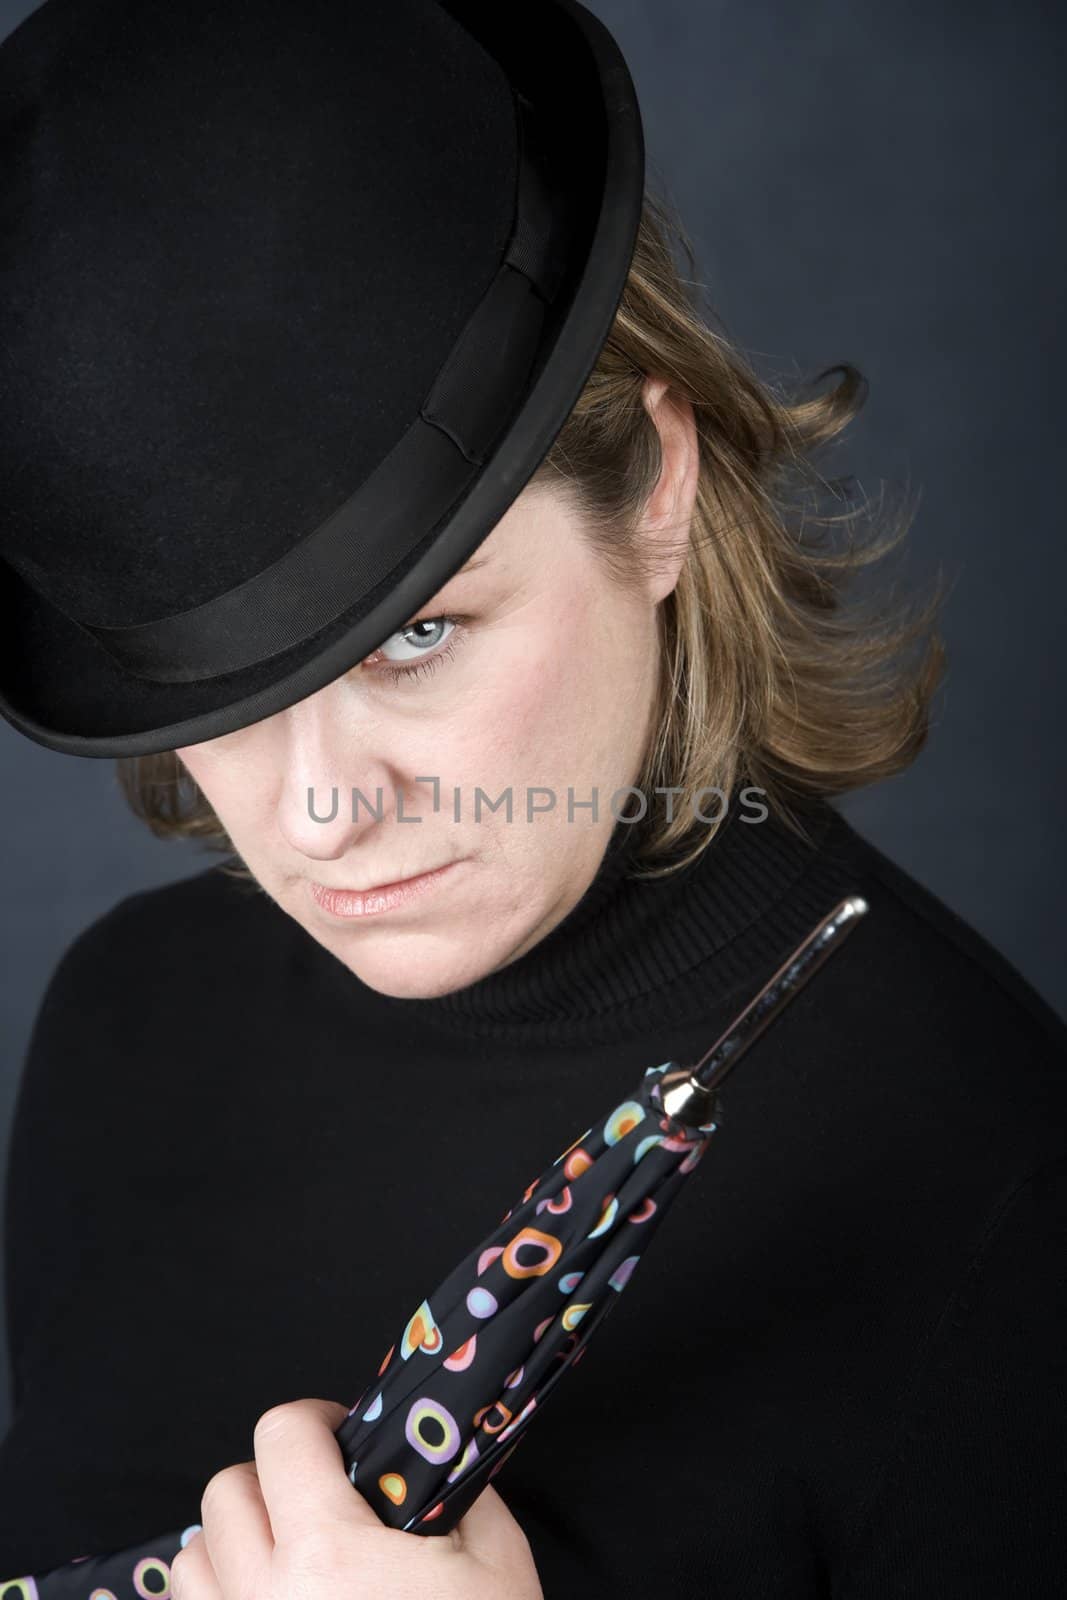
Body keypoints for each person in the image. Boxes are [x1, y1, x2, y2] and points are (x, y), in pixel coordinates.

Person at [1, 1, 1065, 1596]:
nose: (314, 815)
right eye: (220, 699)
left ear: (656, 495)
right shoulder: (122, 1024)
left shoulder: (1005, 1194)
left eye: (419, 636)